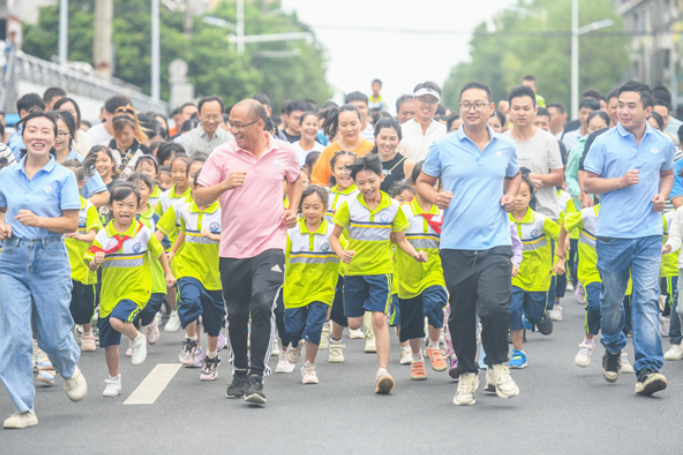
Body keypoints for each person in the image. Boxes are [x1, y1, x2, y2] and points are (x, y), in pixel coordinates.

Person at [416, 81, 521, 406]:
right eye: (466, 104)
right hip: (456, 244)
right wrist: (437, 197)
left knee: (494, 306)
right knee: (461, 313)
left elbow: (515, 175)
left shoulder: (505, 146)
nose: (472, 109)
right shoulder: (443, 146)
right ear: (459, 109)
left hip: (495, 242)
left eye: (478, 104)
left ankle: (499, 367)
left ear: (492, 108)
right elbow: (422, 182)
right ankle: (466, 375)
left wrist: (511, 195)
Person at [194, 99, 302, 405]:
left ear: (259, 125)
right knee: (238, 313)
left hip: (270, 244)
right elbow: (200, 197)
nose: (233, 129)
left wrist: (292, 209)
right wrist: (224, 185)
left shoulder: (284, 152)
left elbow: (296, 180)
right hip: (232, 248)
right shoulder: (222, 155)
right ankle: (239, 370)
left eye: (239, 124)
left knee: (263, 303)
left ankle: (256, 376)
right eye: (231, 123)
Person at [583, 81, 674, 396]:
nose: (622, 110)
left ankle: (647, 369)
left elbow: (667, 172)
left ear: (648, 110)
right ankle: (611, 346)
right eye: (620, 104)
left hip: (649, 234)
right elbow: (589, 184)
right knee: (611, 303)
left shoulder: (662, 142)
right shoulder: (604, 143)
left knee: (647, 299)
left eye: (631, 105)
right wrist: (620, 182)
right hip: (612, 236)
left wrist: (662, 196)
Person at [0, 111, 88, 429]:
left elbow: (70, 222)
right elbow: (0, 208)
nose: (39, 136)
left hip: (50, 259)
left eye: (46, 131)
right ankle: (24, 409)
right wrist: (2, 225)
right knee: (15, 337)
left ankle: (68, 367)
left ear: (56, 138)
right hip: (10, 262)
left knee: (53, 334)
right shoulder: (6, 174)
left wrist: (38, 221)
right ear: (22, 134)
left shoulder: (63, 176)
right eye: (32, 130)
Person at [329, 154, 428, 394]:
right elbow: (333, 235)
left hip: (381, 272)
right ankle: (343, 331)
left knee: (380, 319)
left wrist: (415, 253)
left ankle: (382, 371)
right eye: (361, 183)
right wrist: (342, 252)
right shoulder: (349, 205)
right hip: (354, 272)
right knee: (353, 323)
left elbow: (401, 240)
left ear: (381, 178)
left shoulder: (393, 207)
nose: (367, 187)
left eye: (371, 181)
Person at [85, 183, 175, 397]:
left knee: (118, 321)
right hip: (109, 295)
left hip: (136, 290)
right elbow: (91, 263)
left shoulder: (143, 232)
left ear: (137, 206)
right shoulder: (103, 235)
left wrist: (168, 273)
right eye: (120, 204)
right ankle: (114, 379)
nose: (125, 209)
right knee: (109, 344)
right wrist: (96, 261)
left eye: (131, 205)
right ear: (110, 206)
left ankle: (137, 338)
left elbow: (159, 250)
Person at [169, 169, 225, 381]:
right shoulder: (184, 209)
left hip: (215, 272)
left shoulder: (224, 211)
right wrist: (174, 250)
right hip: (188, 266)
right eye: (200, 188)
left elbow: (233, 236)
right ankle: (191, 339)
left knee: (213, 321)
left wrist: (215, 237)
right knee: (189, 300)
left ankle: (211, 357)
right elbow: (184, 231)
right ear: (194, 189)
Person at [283, 185, 340, 384]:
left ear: (325, 208)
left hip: (322, 289)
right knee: (292, 329)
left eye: (316, 207)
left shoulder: (334, 231)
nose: (311, 211)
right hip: (294, 289)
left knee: (315, 326)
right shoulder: (291, 231)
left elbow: (346, 252)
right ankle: (295, 343)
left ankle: (309, 367)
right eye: (306, 206)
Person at [397, 161, 448, 379]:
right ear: (414, 183)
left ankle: (434, 345)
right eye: (425, 182)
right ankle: (417, 358)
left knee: (435, 302)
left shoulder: (444, 212)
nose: (430, 187)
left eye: (435, 184)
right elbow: (395, 239)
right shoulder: (403, 211)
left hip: (435, 270)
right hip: (408, 272)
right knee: (412, 319)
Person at [508, 175, 560, 368]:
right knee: (513, 309)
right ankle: (518, 352)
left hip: (538, 277)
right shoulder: (503, 221)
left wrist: (562, 255)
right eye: (515, 194)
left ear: (531, 197)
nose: (519, 198)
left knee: (535, 315)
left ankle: (538, 317)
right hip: (514, 276)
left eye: (524, 194)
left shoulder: (540, 220)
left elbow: (561, 232)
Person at [503, 85, 563, 219]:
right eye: (516, 108)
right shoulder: (502, 142)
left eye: (526, 108)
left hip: (545, 215)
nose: (521, 113)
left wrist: (529, 177)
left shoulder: (549, 140)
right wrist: (524, 181)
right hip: (510, 217)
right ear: (509, 110)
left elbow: (558, 177)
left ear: (535, 110)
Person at [62, 159, 104, 353]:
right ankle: (66, 337)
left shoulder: (87, 207)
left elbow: (96, 235)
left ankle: (87, 332)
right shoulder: (54, 205)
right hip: (60, 266)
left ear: (81, 184)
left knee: (86, 305)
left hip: (84, 266)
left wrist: (80, 236)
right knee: (64, 305)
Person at [52, 111, 110, 209]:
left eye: (61, 133)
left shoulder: (83, 163)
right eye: (51, 132)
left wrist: (77, 208)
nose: (56, 137)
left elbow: (103, 196)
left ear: (71, 133)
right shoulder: (39, 161)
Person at [311, 105, 374, 186]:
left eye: (353, 124)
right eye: (344, 125)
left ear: (361, 123)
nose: (349, 129)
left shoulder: (371, 148)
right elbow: (318, 181)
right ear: (338, 126)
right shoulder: (329, 150)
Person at [397, 82, 447, 162]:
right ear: (414, 102)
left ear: (437, 105)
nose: (427, 105)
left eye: (432, 101)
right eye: (423, 100)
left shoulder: (445, 132)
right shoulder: (400, 131)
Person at [371, 118, 413, 193]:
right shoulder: (366, 162)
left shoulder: (406, 165)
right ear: (375, 138)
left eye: (392, 139)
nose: (387, 143)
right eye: (383, 138)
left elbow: (409, 195)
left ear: (399, 140)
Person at [109, 112, 151, 180]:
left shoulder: (144, 150)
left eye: (126, 133)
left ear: (134, 131)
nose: (122, 137)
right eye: (119, 133)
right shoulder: (106, 149)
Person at [7, 93, 45, 159]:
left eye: (42, 114)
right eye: (36, 113)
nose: (40, 117)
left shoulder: (13, 134)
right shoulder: (19, 143)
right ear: (23, 113)